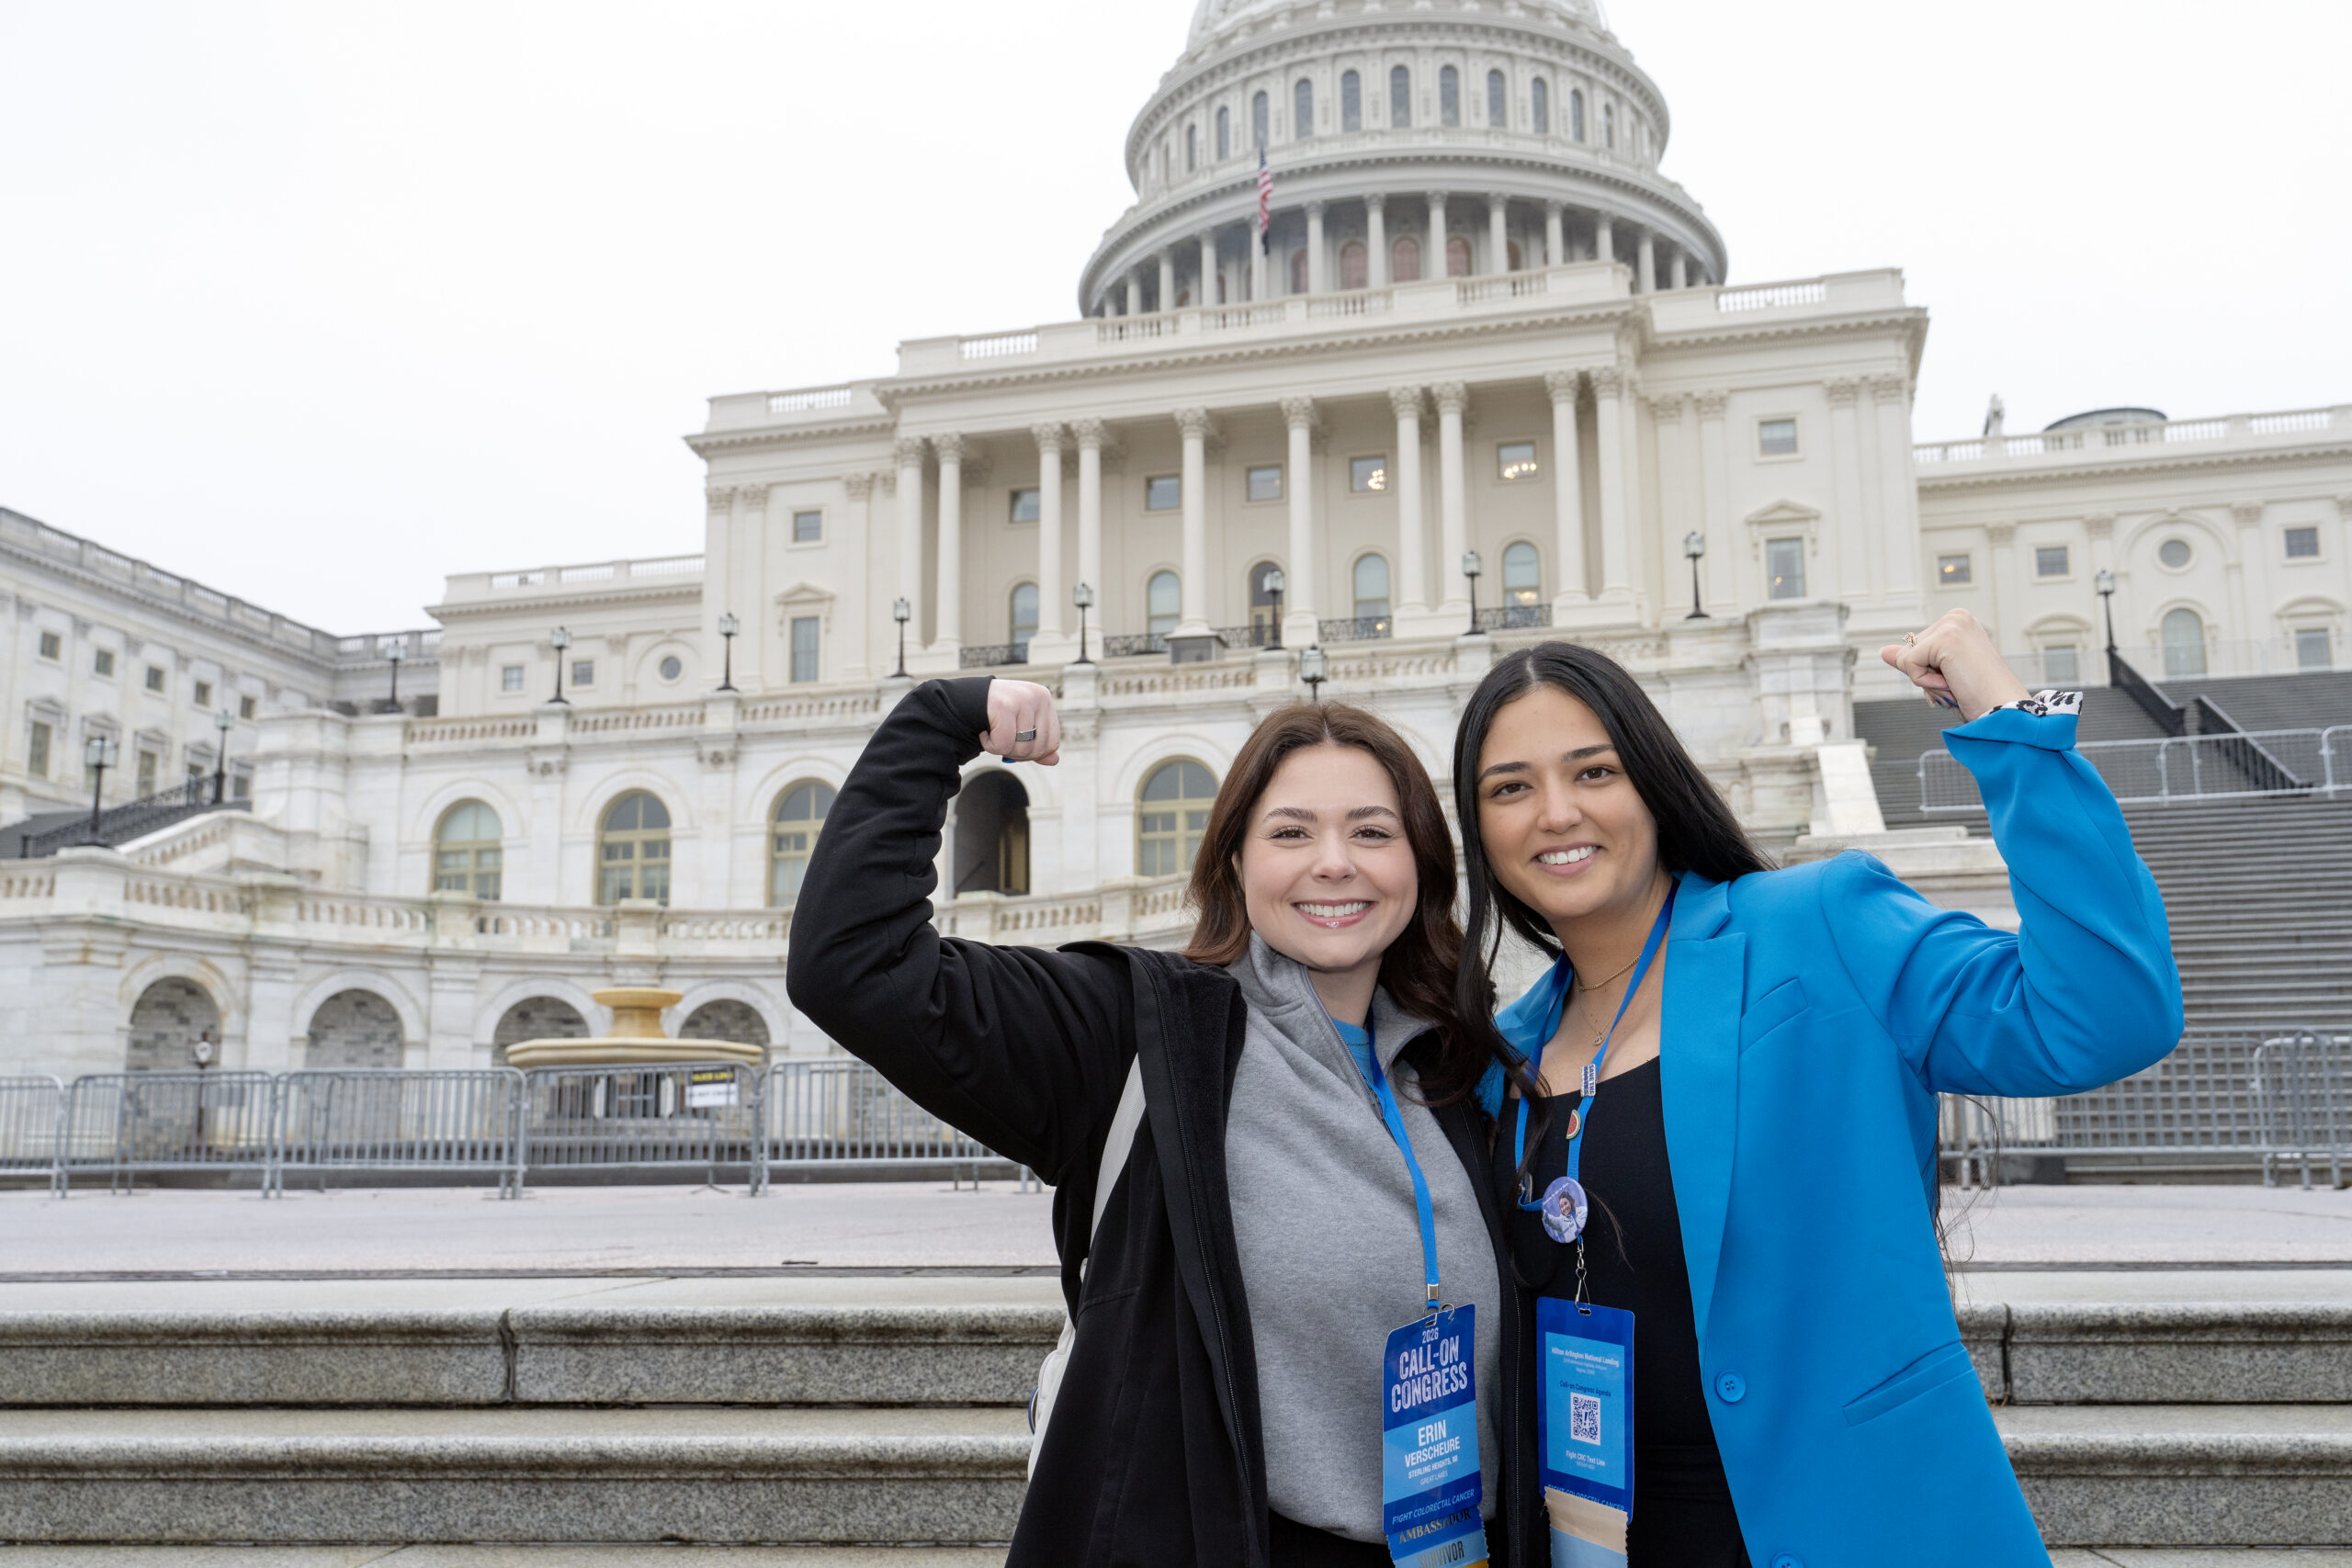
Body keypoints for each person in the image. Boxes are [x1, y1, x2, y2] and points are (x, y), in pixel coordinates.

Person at [1450, 611, 2181, 1568]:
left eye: (1594, 772)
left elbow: (2109, 1010)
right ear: (1479, 828)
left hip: (1855, 1523)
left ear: (1654, 784)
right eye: (1511, 788)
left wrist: (2010, 724)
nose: (1556, 813)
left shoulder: (1819, 928)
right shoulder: (1498, 1059)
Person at [786, 676, 1546, 1568]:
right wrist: (943, 720)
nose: (1334, 862)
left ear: (1421, 866)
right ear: (1232, 861)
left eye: (1372, 832)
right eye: (1291, 831)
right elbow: (854, 966)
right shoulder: (1137, 1031)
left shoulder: (1462, 1068)